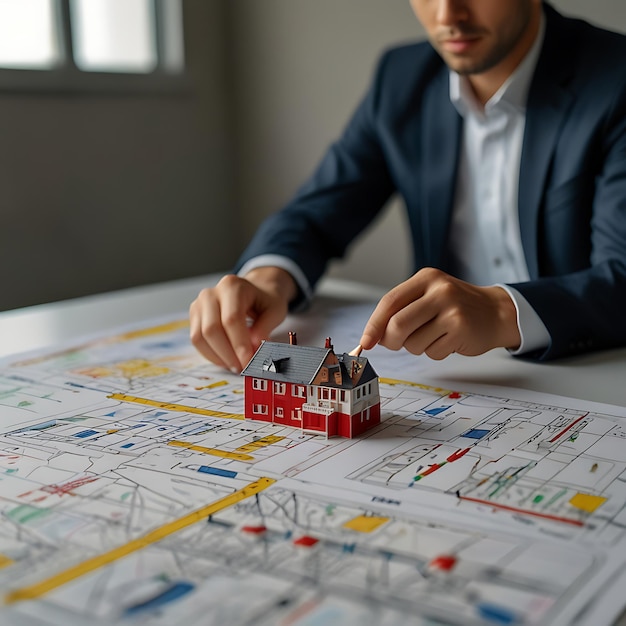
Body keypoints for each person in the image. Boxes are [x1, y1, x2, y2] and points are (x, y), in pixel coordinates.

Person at [190, 0, 626, 374]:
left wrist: (499, 311)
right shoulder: (401, 77)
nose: (447, 14)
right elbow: (317, 212)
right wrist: (268, 279)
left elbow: (621, 278)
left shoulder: (616, 77)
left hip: (590, 374)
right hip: (446, 381)